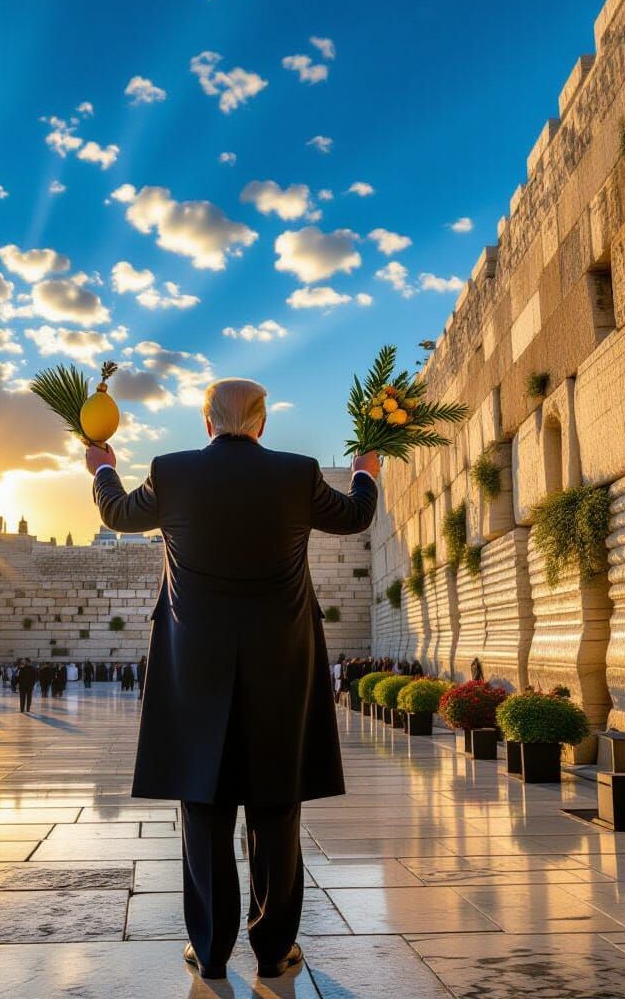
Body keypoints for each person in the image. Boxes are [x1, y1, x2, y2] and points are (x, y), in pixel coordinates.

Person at [88, 377, 378, 980]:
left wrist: (102, 467)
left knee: (206, 802)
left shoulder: (172, 472)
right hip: (282, 657)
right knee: (276, 803)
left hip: (195, 662)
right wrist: (366, 468)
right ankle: (274, 950)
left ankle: (212, 949)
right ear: (262, 423)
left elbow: (117, 514)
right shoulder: (296, 474)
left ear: (206, 422)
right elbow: (355, 516)